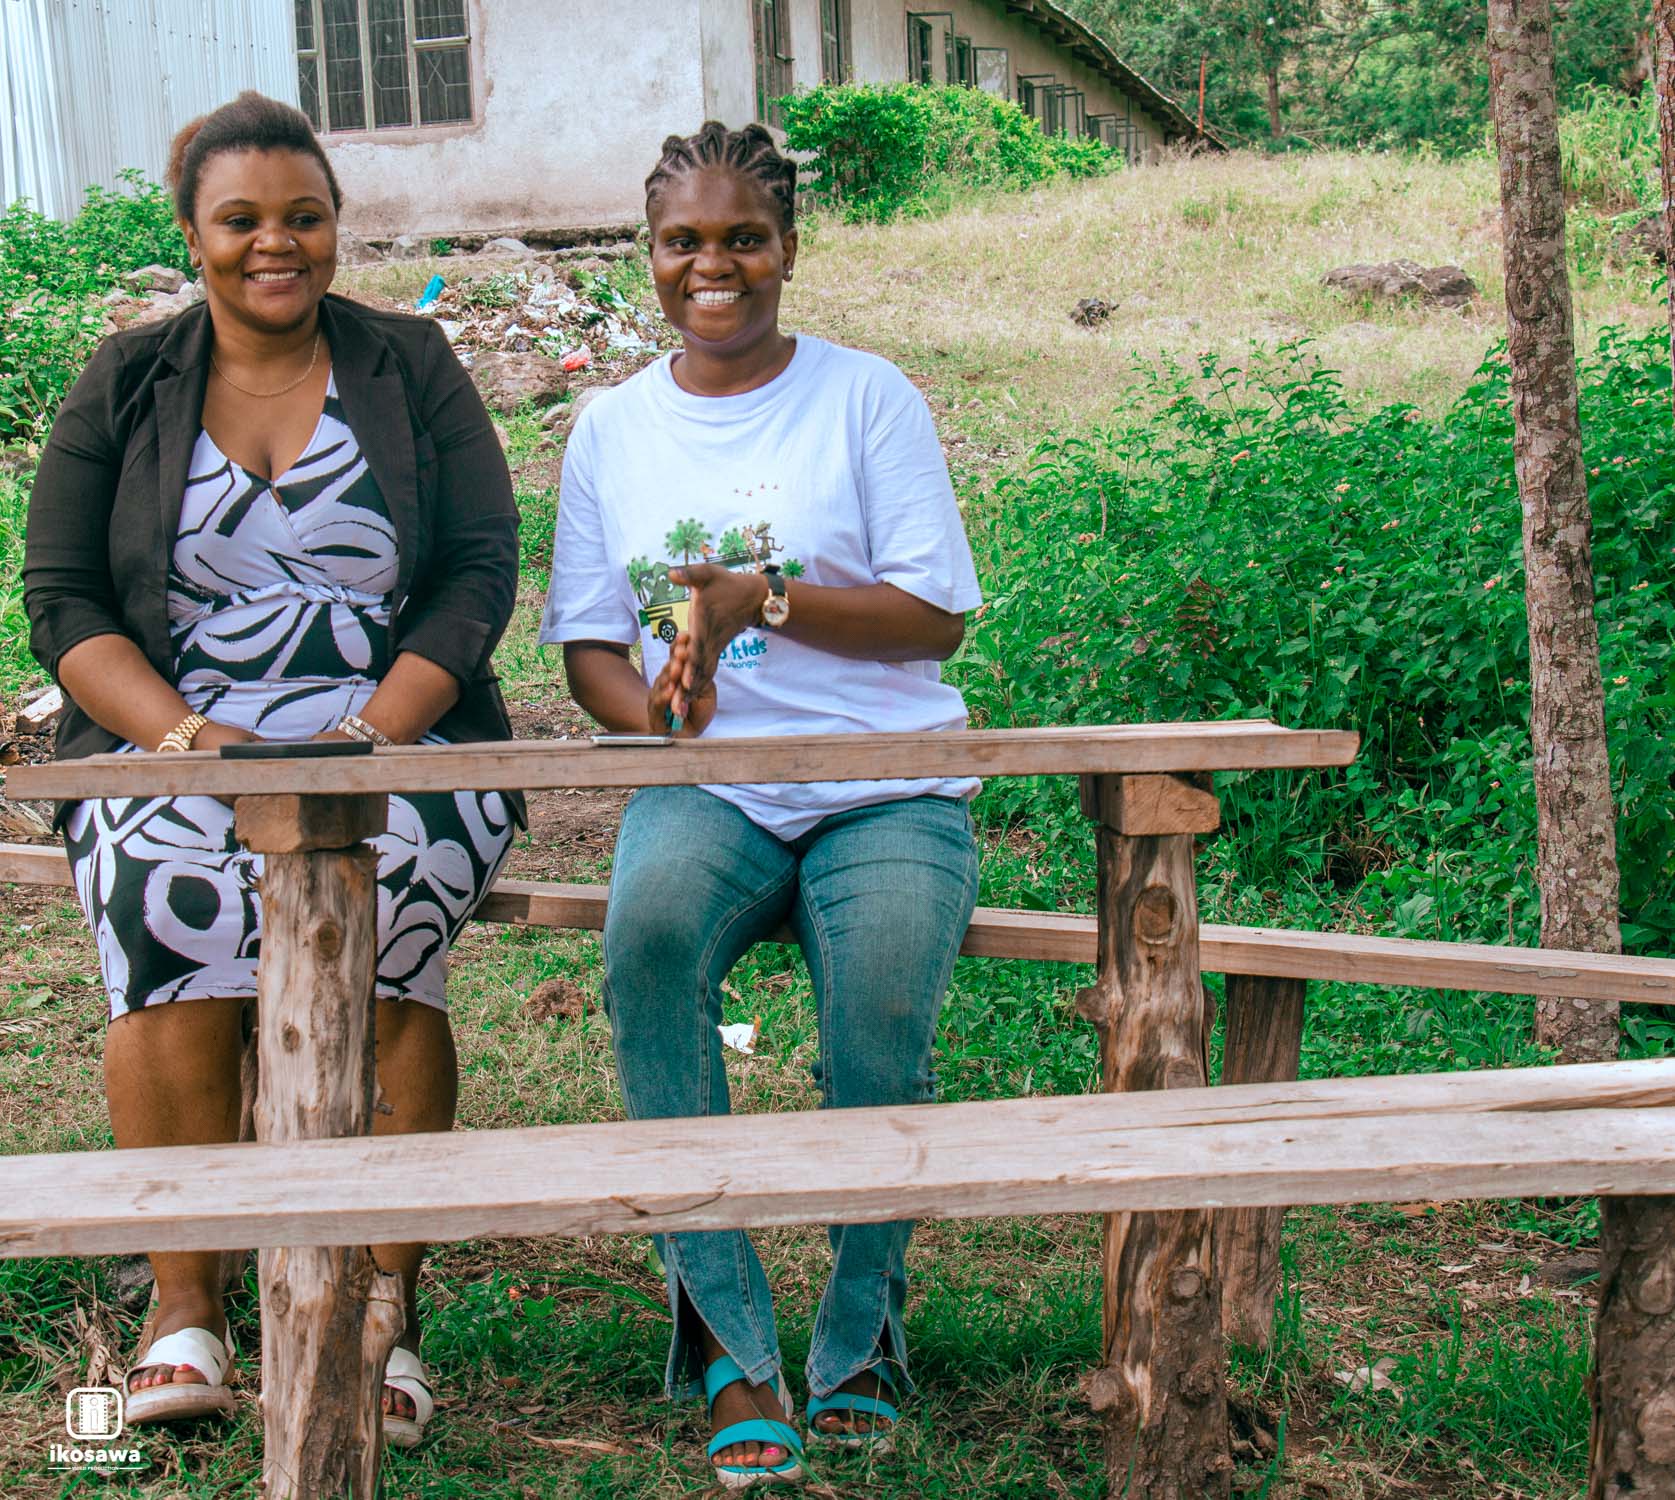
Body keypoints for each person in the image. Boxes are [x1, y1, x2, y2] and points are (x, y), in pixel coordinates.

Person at [22, 92, 521, 1445]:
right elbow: (64, 600)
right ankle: (186, 1307)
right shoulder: (127, 379)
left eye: (303, 216)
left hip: (399, 726)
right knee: (163, 898)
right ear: (193, 233)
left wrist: (375, 736)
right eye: (241, 218)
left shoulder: (410, 364)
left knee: (385, 908)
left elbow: (479, 571)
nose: (274, 242)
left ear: (336, 227)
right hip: (176, 734)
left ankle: (380, 1310)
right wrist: (190, 740)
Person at [542, 121, 982, 1488]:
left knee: (881, 1007)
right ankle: (732, 1346)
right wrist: (660, 710)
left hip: (883, 778)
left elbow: (936, 618)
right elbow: (588, 648)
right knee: (649, 946)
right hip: (713, 784)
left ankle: (861, 1340)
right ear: (650, 255)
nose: (713, 265)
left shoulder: (866, 399)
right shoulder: (612, 427)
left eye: (744, 237)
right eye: (684, 241)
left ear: (788, 248)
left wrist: (763, 600)